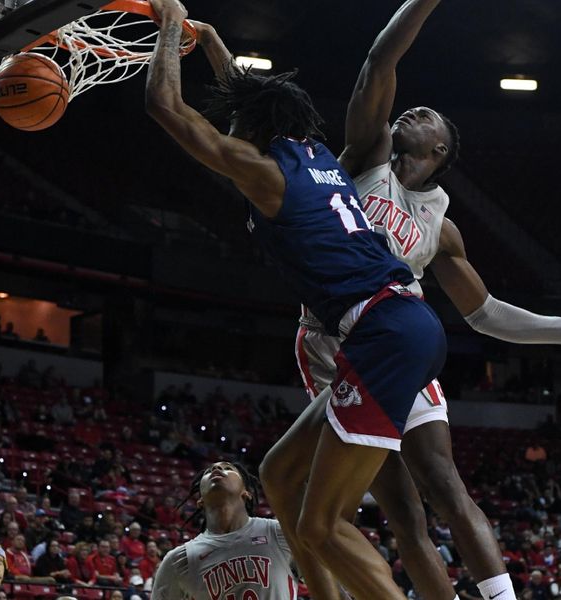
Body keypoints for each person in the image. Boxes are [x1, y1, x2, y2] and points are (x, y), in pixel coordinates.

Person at [243, 0, 561, 598]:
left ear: (439, 156)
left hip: (397, 340)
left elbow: (485, 314)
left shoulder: (442, 225)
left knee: (444, 481)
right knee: (403, 513)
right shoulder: (365, 158)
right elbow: (380, 59)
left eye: (430, 116)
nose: (417, 108)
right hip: (334, 343)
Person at [146, 1, 447, 597]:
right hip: (395, 325)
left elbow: (165, 107)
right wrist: (208, 43)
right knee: (280, 479)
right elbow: (249, 98)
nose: (230, 130)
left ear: (253, 131)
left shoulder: (263, 171)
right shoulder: (312, 153)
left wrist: (169, 25)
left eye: (237, 124)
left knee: (319, 523)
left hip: (386, 329)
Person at [151, 462, 295, 599]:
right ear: (200, 500)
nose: (217, 468)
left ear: (246, 493)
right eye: (208, 471)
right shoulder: (179, 560)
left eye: (228, 468)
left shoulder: (279, 532)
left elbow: (316, 576)